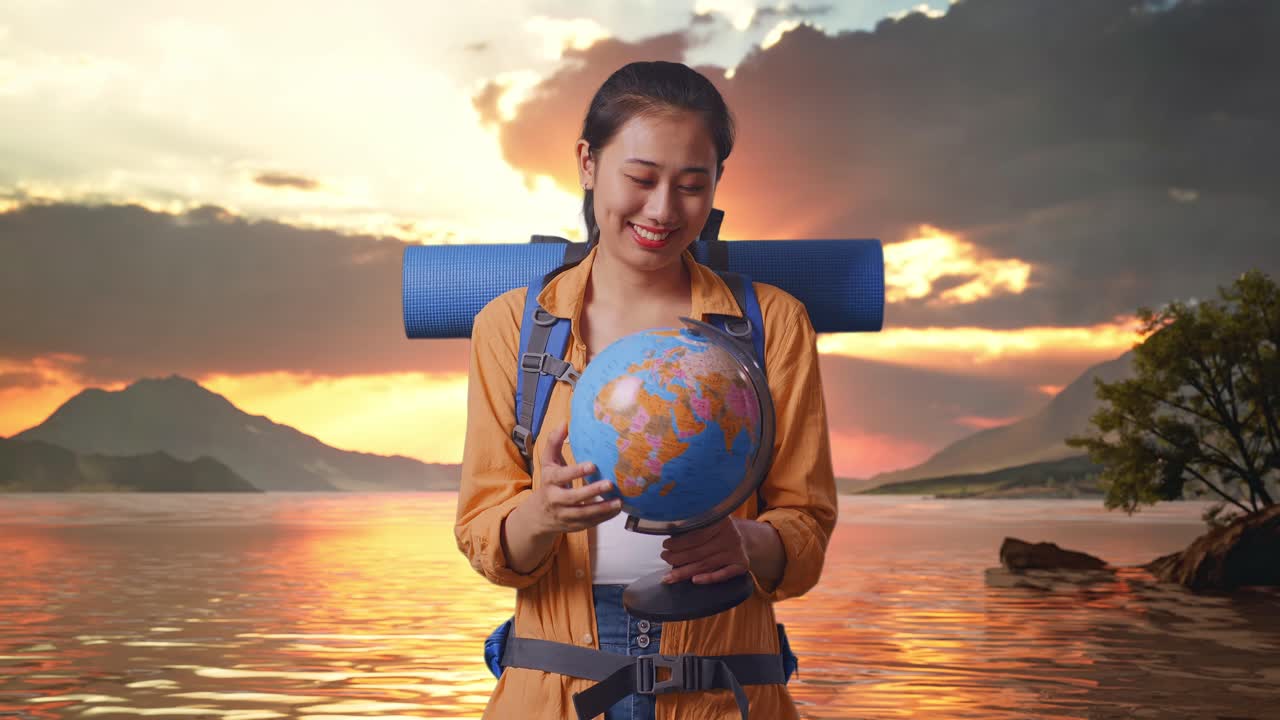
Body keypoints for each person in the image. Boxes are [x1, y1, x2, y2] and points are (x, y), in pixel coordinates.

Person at [455, 60, 837, 720]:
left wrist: (749, 544)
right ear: (587, 163)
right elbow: (485, 537)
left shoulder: (773, 325)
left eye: (692, 185)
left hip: (724, 693)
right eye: (640, 178)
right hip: (554, 693)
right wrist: (543, 515)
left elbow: (806, 531)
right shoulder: (511, 329)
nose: (662, 210)